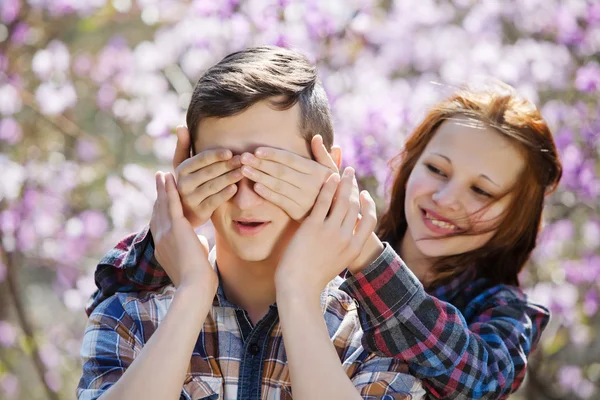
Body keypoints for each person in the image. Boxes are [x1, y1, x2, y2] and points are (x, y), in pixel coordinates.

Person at [85, 76, 562, 399]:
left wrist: (360, 254)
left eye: (482, 191)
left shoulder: (499, 311)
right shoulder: (333, 249)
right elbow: (120, 283)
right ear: (410, 162)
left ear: (518, 214)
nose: (448, 199)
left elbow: (474, 380)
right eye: (436, 169)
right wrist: (179, 223)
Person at [77, 46, 425, 400]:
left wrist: (298, 292)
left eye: (273, 171)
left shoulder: (376, 336)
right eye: (221, 170)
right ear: (187, 171)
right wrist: (193, 291)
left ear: (329, 171)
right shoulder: (132, 317)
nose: (245, 200)